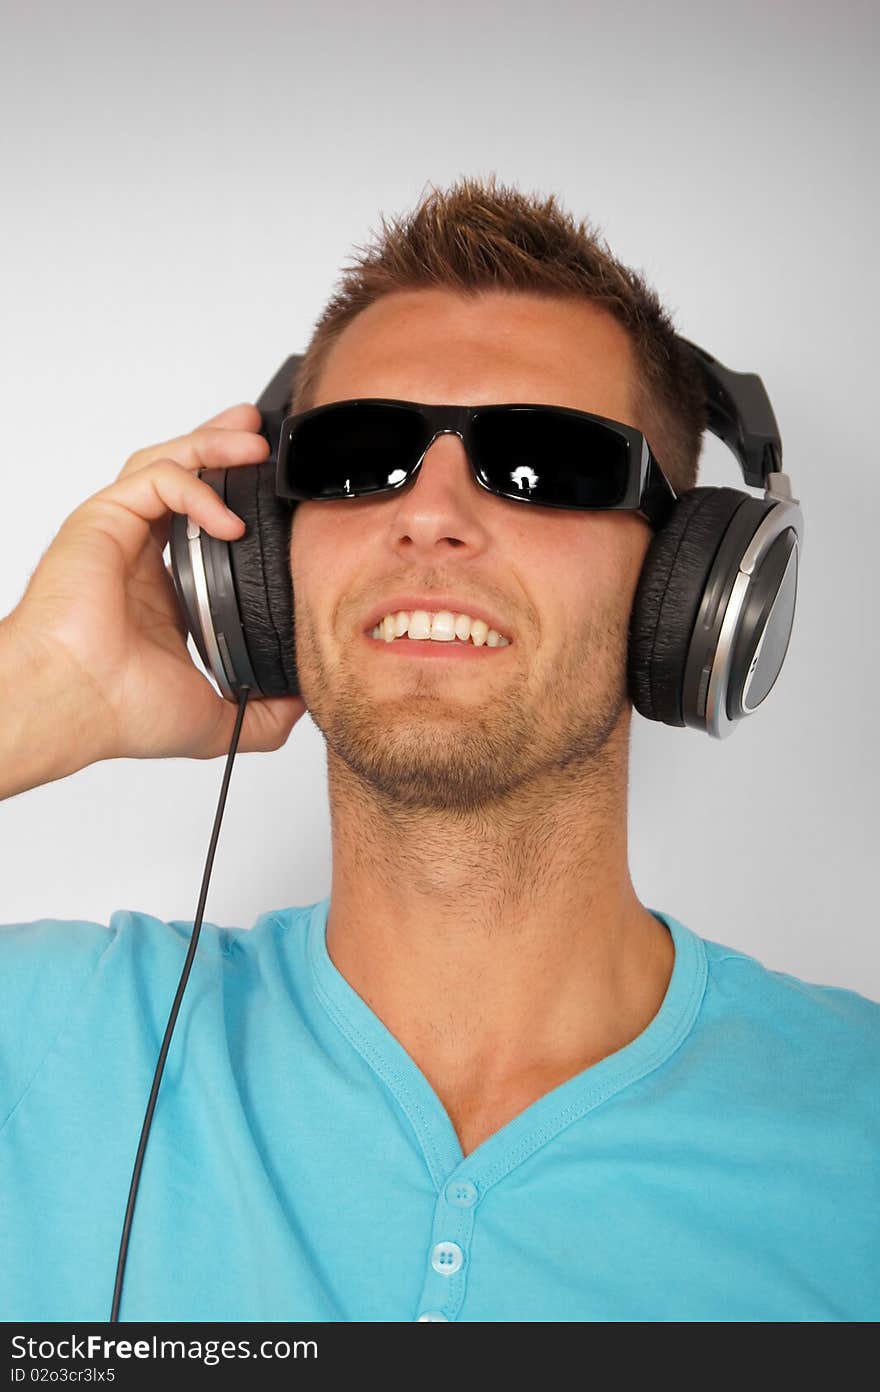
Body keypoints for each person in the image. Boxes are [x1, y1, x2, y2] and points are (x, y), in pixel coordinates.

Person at [0, 176, 877, 1324]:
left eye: (545, 465)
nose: (429, 514)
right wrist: (35, 689)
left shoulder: (855, 1132)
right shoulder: (46, 1037)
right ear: (261, 563)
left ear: (694, 584)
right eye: (359, 457)